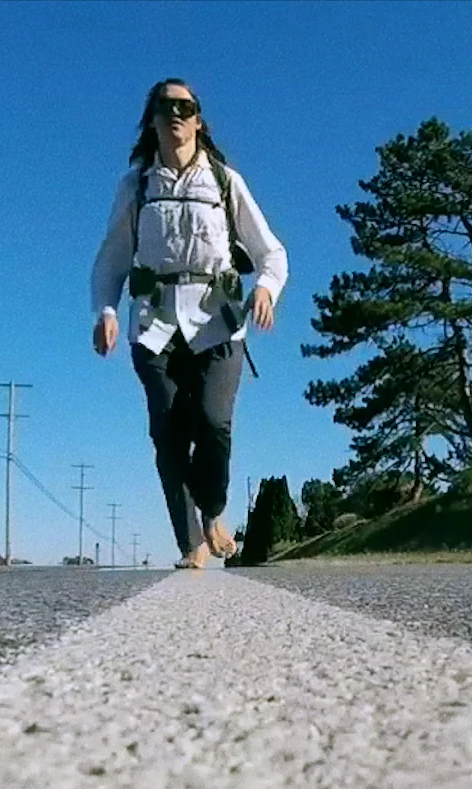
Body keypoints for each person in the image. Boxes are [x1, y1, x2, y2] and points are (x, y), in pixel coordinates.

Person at [90, 78, 287, 569]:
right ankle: (191, 543)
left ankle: (214, 509)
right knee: (168, 432)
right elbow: (112, 258)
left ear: (198, 120)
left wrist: (265, 288)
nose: (175, 114)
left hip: (218, 323)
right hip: (154, 324)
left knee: (214, 422)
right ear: (152, 120)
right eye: (165, 107)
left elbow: (271, 252)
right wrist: (107, 312)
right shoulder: (136, 184)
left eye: (185, 107)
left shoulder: (224, 181)